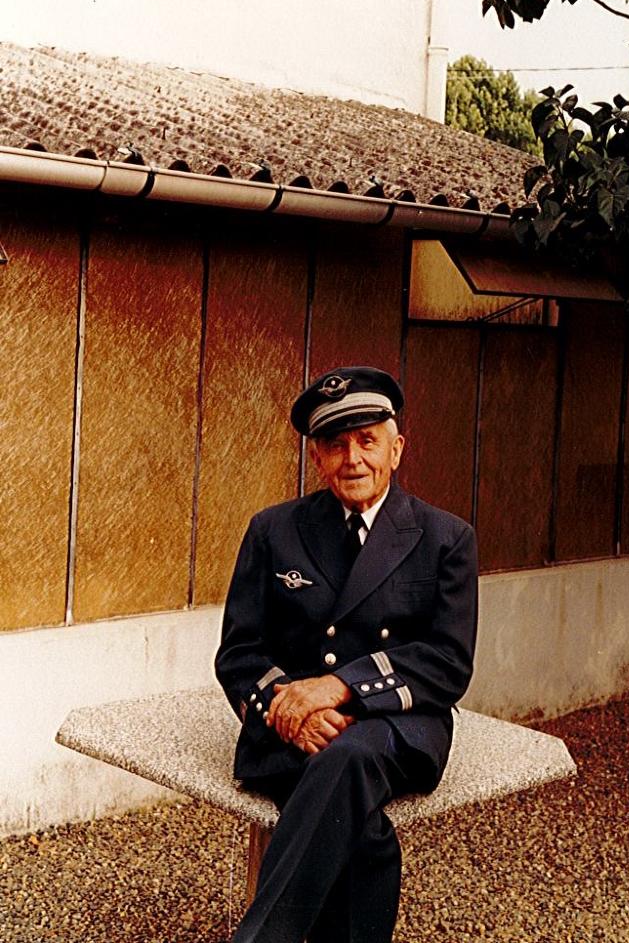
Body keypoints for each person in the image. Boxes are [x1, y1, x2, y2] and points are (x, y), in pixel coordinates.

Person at [215, 365, 478, 943]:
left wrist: (339, 689)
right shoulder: (273, 530)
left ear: (397, 448)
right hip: (292, 730)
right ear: (317, 458)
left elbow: (448, 661)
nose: (353, 459)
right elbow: (238, 652)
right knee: (364, 835)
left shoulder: (445, 538)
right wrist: (290, 710)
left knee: (353, 756)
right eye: (336, 445)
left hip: (396, 726)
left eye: (367, 441)